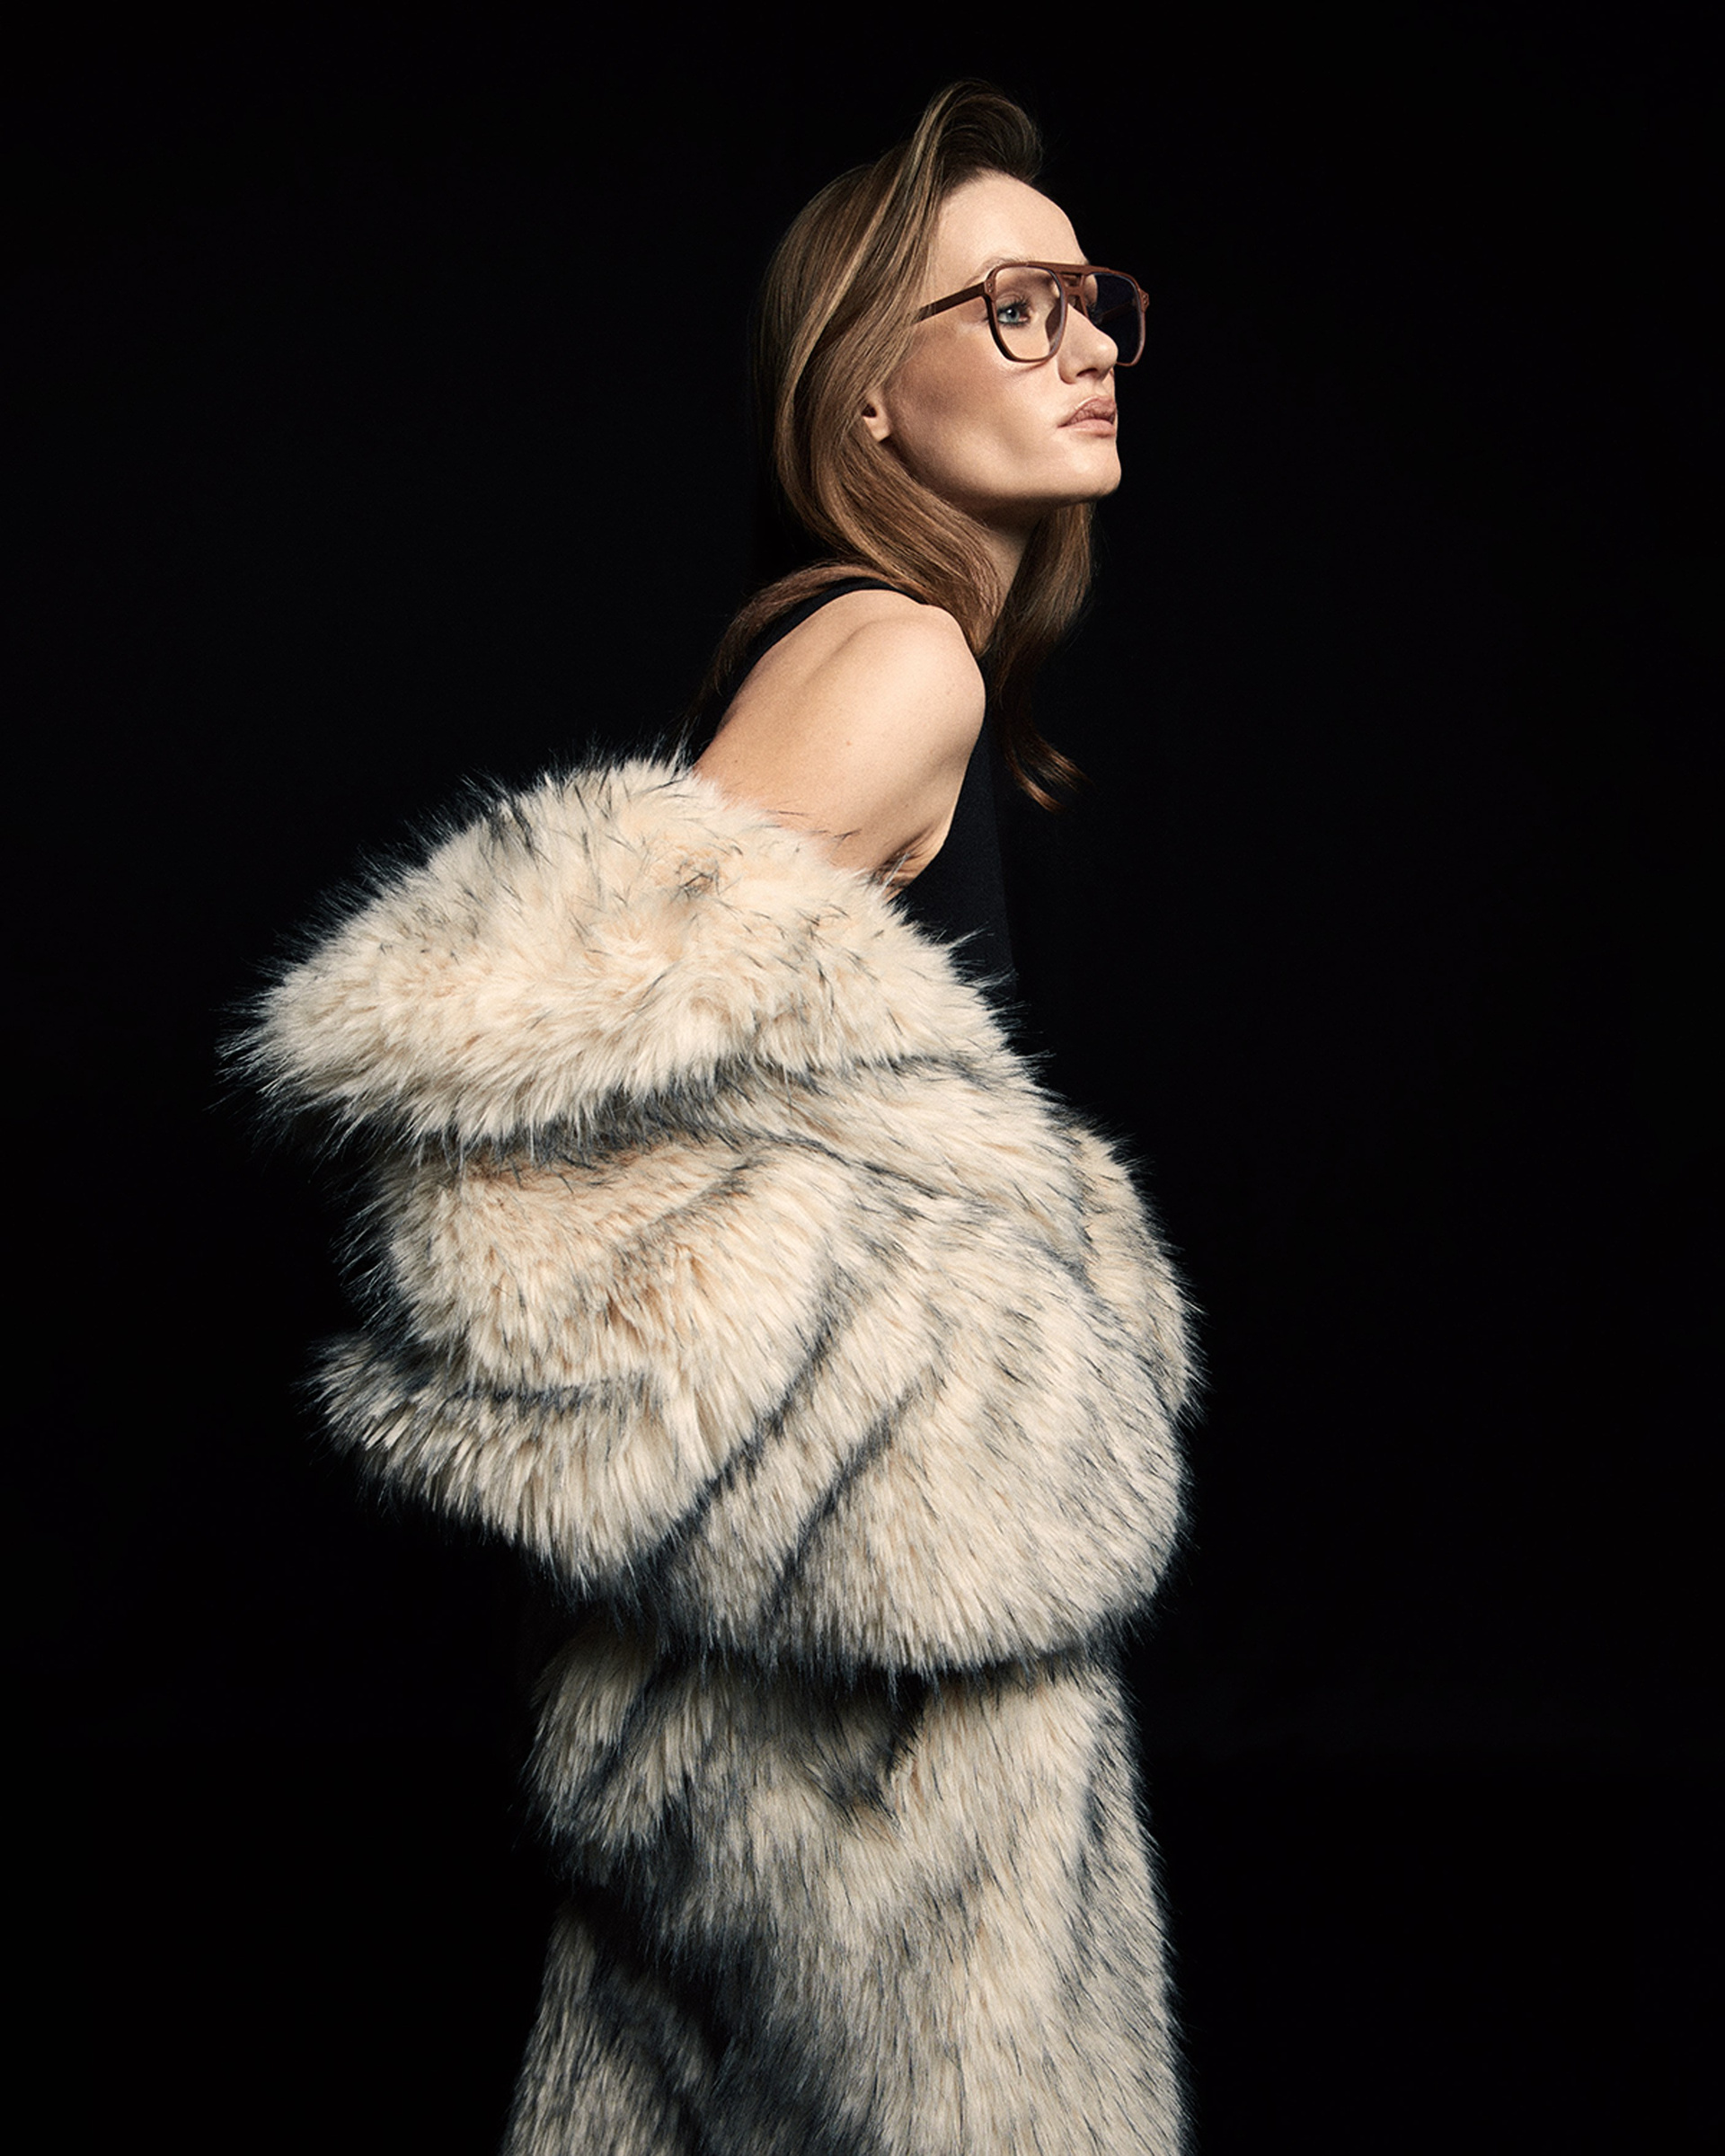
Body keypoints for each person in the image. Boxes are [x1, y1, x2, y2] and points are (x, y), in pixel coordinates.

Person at [243, 81, 1195, 2156]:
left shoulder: (885, 658)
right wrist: (918, 1453)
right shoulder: (896, 662)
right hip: (855, 1734)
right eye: (1013, 306)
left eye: (1090, 300)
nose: (1088, 342)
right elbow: (505, 1101)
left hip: (777, 1705)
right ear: (865, 396)